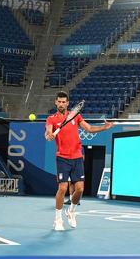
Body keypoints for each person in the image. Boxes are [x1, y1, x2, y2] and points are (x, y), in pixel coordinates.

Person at [45, 91, 112, 231]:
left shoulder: (76, 115)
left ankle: (71, 210)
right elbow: (48, 131)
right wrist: (49, 135)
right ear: (56, 102)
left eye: (64, 102)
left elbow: (89, 129)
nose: (62, 104)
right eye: (59, 101)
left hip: (77, 157)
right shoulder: (51, 119)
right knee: (62, 188)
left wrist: (103, 128)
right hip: (62, 157)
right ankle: (57, 219)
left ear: (68, 103)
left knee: (80, 189)